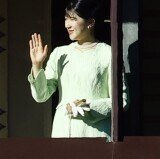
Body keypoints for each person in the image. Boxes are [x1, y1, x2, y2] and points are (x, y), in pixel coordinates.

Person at [28, 0, 120, 139]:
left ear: (90, 22)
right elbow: (41, 96)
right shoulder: (60, 53)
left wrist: (86, 107)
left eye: (73, 19)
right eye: (66, 19)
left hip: (96, 134)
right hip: (63, 132)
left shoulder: (108, 53)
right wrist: (37, 65)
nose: (67, 25)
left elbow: (121, 100)